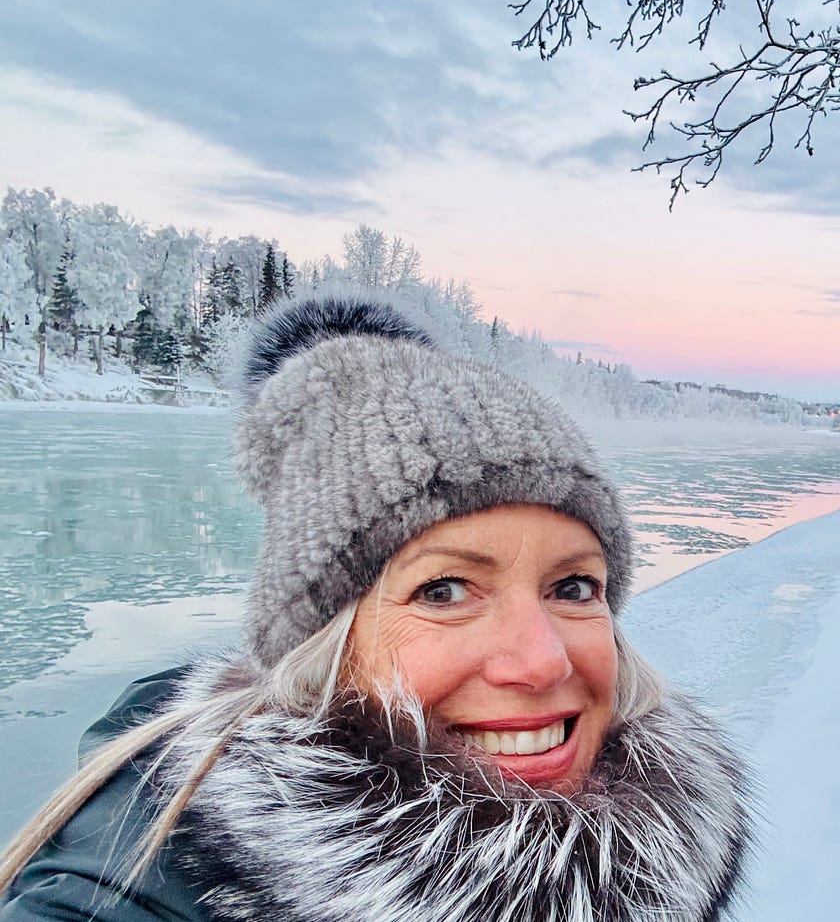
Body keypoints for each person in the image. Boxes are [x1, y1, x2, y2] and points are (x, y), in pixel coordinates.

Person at [0, 298, 753, 921]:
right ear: (321, 640)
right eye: (445, 590)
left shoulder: (658, 847)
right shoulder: (135, 881)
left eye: (573, 588)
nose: (543, 660)